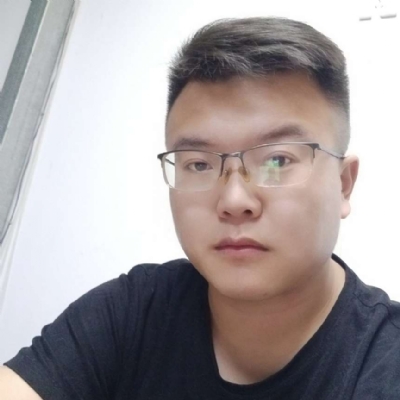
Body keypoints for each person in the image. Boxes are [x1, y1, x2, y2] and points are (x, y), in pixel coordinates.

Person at [1, 16, 399, 400]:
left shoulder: (385, 361)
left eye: (277, 161)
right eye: (199, 164)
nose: (234, 201)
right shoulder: (133, 311)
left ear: (343, 184)